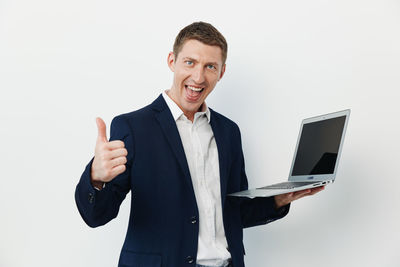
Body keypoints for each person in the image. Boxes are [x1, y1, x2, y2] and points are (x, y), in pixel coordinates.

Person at [75, 21, 324, 267]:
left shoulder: (228, 132)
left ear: (221, 72)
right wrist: (96, 178)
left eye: (210, 66)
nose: (198, 76)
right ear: (172, 61)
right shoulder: (133, 127)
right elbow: (96, 216)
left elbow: (233, 213)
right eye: (190, 62)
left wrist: (280, 199)